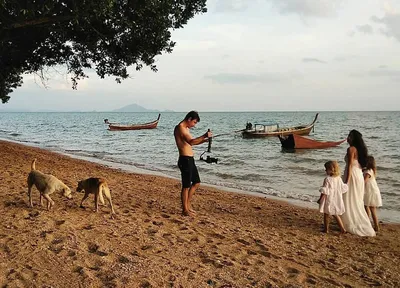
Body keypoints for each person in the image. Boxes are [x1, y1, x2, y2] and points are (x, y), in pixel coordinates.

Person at [174, 111, 212, 216]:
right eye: (194, 122)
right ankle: (185, 210)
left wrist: (204, 140)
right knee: (186, 186)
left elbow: (192, 143)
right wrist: (204, 135)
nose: (194, 125)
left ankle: (188, 205)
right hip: (185, 160)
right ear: (189, 119)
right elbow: (191, 141)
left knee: (196, 182)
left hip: (190, 159)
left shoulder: (185, 128)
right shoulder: (180, 128)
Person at [341, 130, 376, 237]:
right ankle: (355, 221)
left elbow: (350, 165)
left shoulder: (351, 149)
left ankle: (350, 222)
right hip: (359, 175)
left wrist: (347, 180)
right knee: (356, 199)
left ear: (354, 138)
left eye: (350, 136)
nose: (348, 138)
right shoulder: (360, 150)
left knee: (349, 198)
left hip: (352, 175)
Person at [317, 161, 348, 233]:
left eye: (326, 169)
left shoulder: (327, 179)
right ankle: (342, 228)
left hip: (329, 198)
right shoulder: (339, 178)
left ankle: (326, 229)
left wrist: (320, 199)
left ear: (331, 169)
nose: (325, 170)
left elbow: (325, 191)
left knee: (326, 214)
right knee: (335, 214)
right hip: (337, 198)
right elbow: (342, 188)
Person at [363, 155, 383, 231]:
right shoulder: (371, 170)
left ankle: (368, 223)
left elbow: (364, 181)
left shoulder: (368, 172)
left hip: (369, 191)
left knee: (367, 207)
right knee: (371, 208)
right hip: (372, 190)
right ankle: (376, 225)